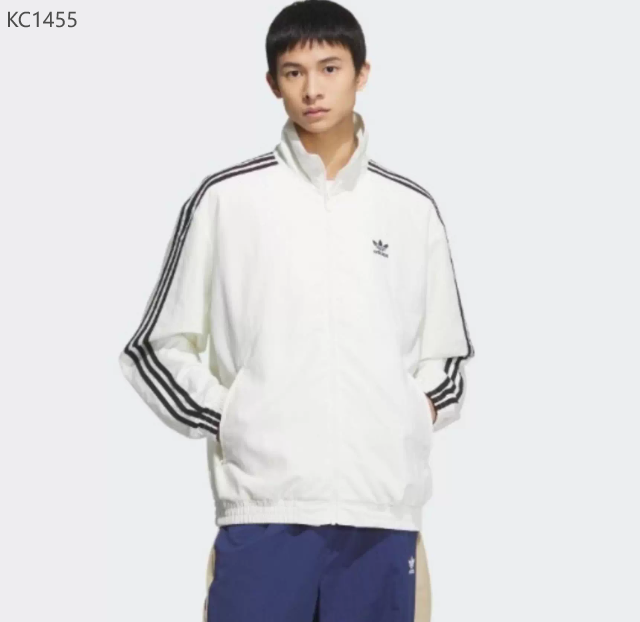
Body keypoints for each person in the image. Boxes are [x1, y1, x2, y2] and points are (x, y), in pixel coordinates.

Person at [118, 1, 475, 620]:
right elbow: (153, 348)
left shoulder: (410, 208)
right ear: (272, 83)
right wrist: (236, 418)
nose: (312, 89)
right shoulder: (226, 199)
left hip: (381, 512)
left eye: (330, 68)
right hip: (264, 512)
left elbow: (446, 358)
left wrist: (408, 415)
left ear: (362, 73)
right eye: (293, 72)